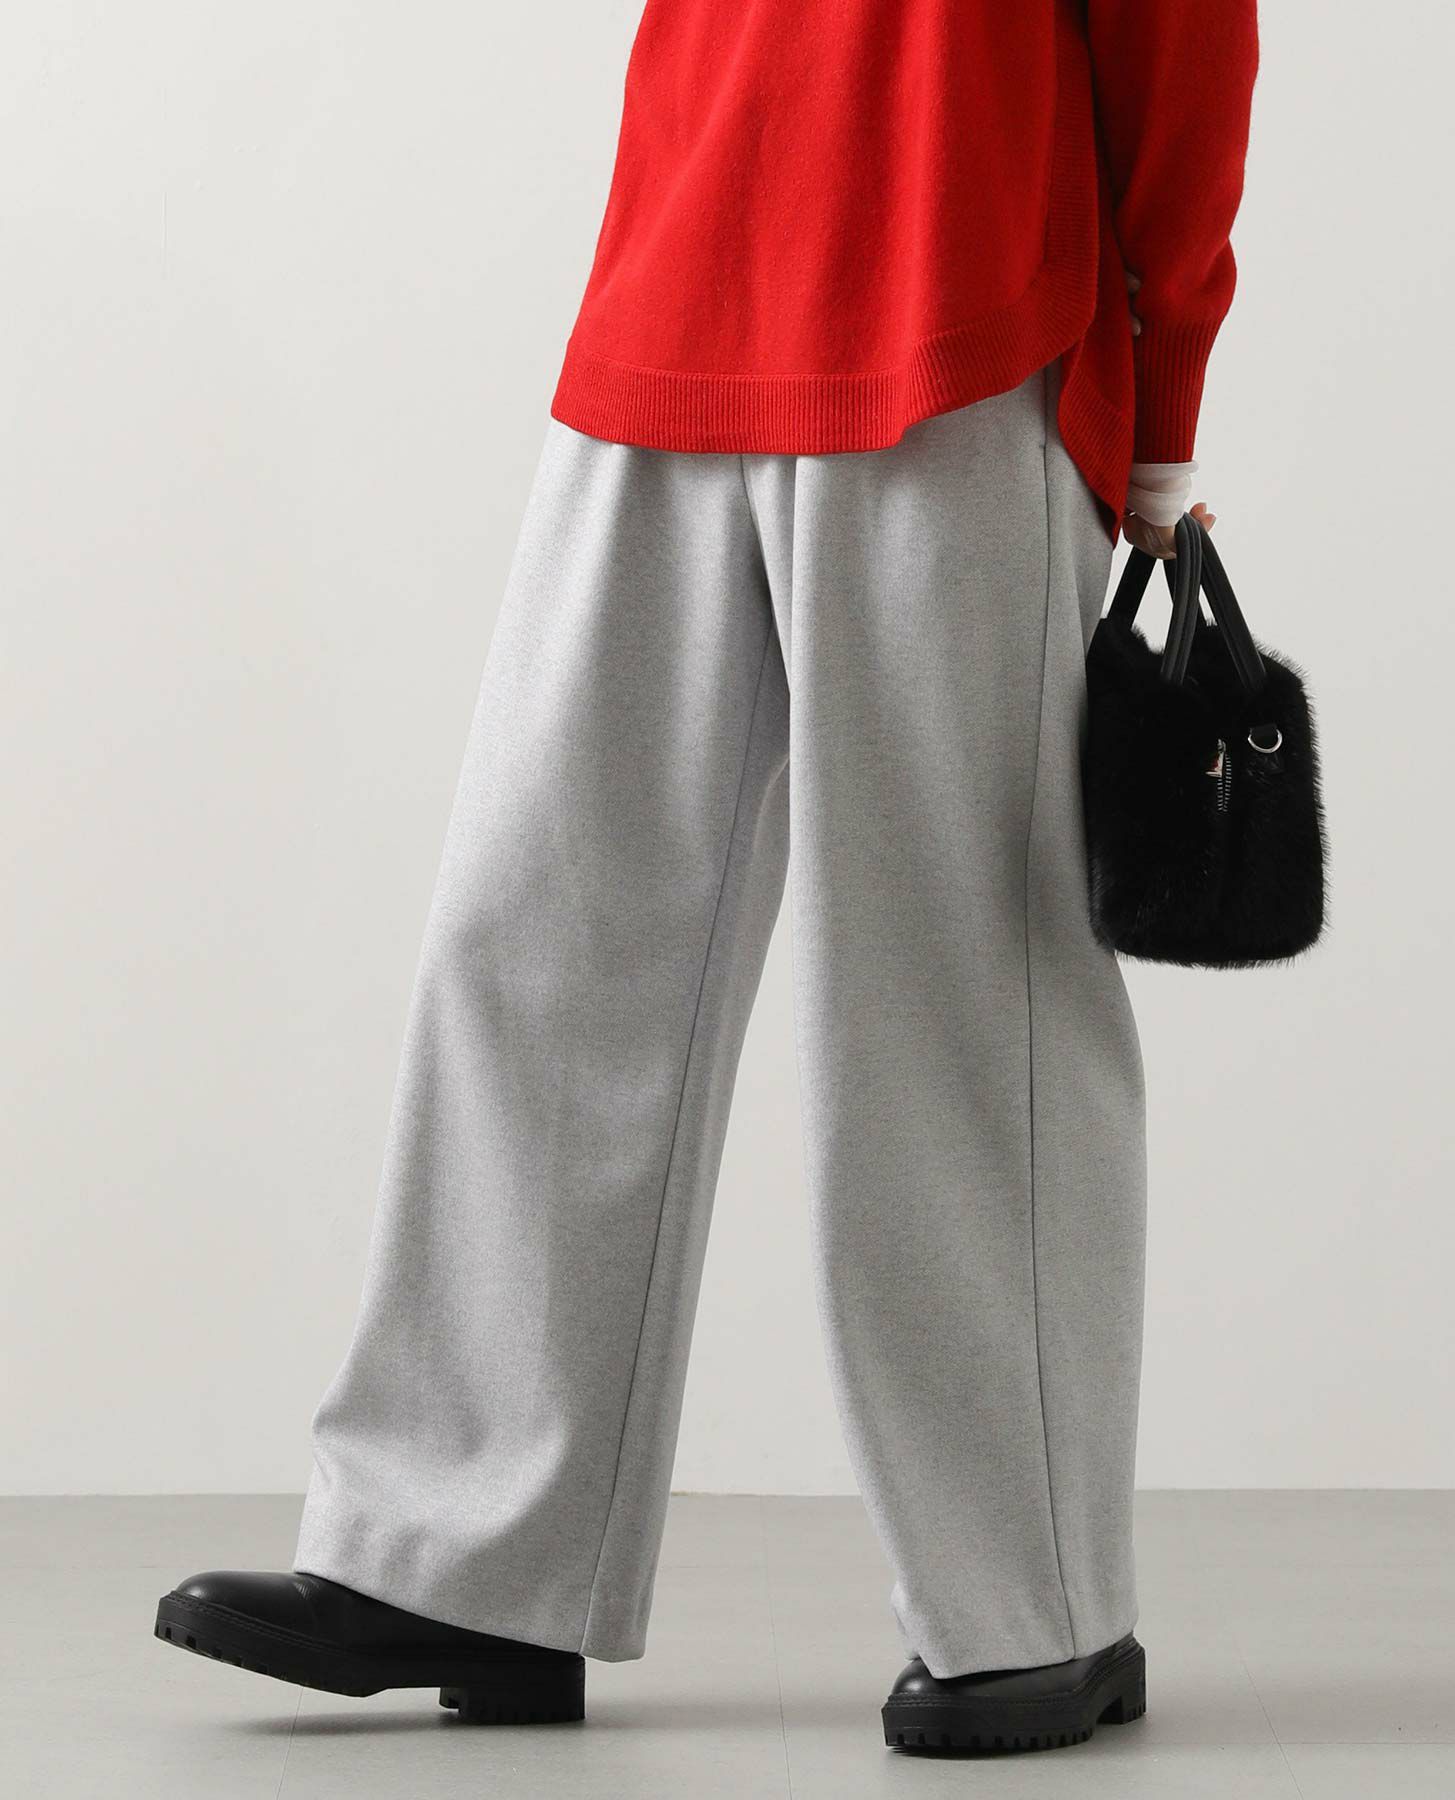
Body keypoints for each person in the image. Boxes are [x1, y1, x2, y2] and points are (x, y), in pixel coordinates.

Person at [153, 0, 1257, 1755]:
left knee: (953, 980)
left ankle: (1033, 1602)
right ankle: (466, 1562)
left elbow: (1184, 36)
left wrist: (1162, 395)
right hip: (675, 287)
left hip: (959, 298)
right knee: (536, 936)